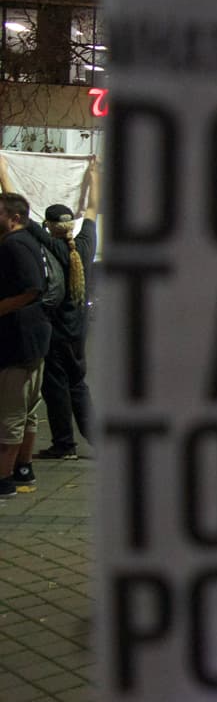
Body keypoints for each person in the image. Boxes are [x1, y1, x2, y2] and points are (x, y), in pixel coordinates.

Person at [29, 202, 97, 459]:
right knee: (78, 383)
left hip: (56, 331)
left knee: (55, 387)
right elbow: (91, 210)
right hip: (79, 331)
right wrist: (93, 177)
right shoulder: (86, 245)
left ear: (49, 226)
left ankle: (64, 444)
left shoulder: (51, 245)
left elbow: (22, 212)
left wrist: (2, 173)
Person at [0, 194, 54, 497]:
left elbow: (31, 289)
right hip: (33, 339)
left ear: (15, 218)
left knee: (9, 413)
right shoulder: (29, 242)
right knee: (27, 410)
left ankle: (4, 479)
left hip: (17, 341)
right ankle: (23, 468)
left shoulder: (13, 245)